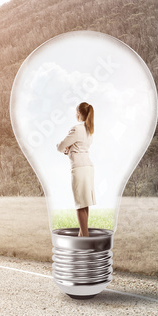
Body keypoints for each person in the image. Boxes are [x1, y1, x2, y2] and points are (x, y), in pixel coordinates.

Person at [56, 102, 95, 237]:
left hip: (79, 168)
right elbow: (79, 146)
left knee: (79, 205)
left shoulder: (76, 129)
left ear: (79, 113)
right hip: (88, 168)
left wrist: (64, 148)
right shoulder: (89, 129)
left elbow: (61, 146)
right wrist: (70, 148)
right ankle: (81, 236)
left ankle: (86, 239)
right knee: (85, 203)